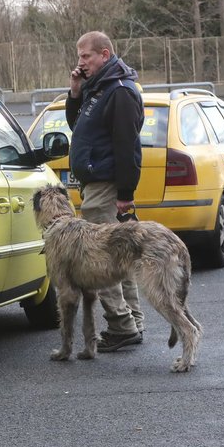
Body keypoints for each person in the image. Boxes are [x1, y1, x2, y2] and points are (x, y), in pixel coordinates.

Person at [65, 30, 146, 352]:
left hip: (106, 186)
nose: (81, 62)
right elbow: (78, 126)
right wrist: (76, 90)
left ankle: (122, 325)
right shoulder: (99, 88)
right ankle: (133, 322)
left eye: (86, 56)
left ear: (105, 54)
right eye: (79, 56)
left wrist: (125, 193)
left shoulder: (120, 92)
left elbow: (128, 146)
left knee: (99, 258)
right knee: (120, 256)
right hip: (96, 184)